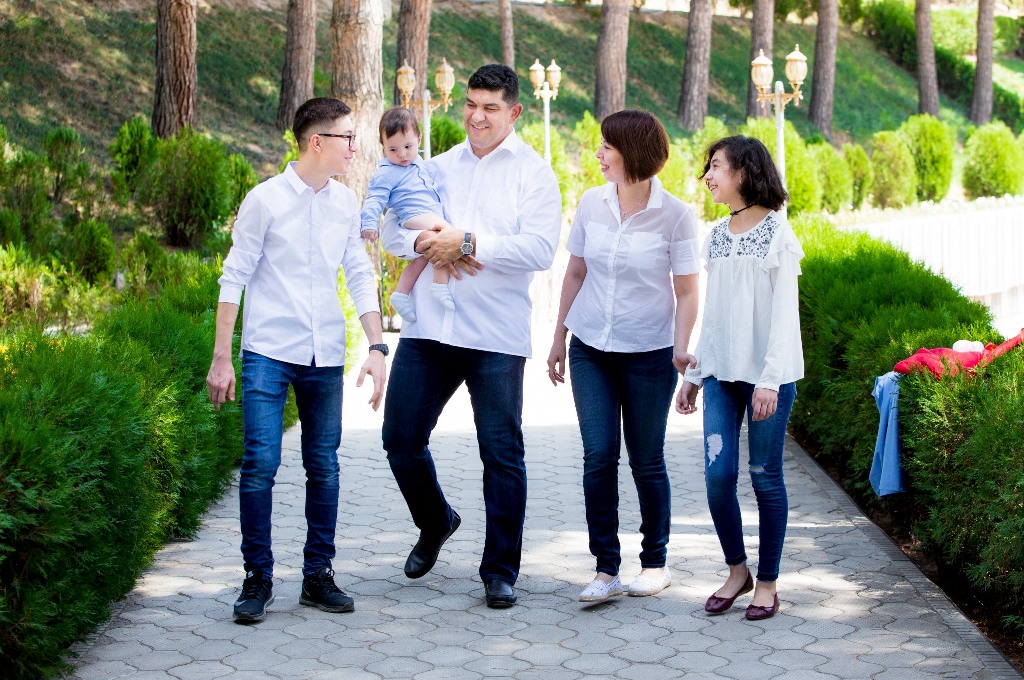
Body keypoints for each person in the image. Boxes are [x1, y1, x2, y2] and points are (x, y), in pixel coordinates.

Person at [379, 64, 562, 609]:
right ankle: (436, 519)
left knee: (501, 453)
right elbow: (392, 228)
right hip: (430, 328)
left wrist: (470, 242)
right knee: (400, 438)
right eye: (471, 104)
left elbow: (540, 249)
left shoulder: (534, 174)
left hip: (495, 335)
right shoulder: (434, 167)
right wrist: (426, 244)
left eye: (490, 108)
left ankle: (500, 570)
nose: (476, 117)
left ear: (515, 112)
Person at [206, 97, 388, 624]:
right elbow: (234, 277)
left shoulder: (344, 203)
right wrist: (222, 358)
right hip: (267, 352)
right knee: (260, 465)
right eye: (348, 138)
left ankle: (317, 576)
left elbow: (359, 273)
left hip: (324, 353)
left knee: (323, 466)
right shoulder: (264, 200)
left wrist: (377, 346)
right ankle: (257, 578)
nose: (354, 148)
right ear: (317, 142)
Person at [546, 109, 700, 603]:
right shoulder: (592, 203)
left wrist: (681, 347)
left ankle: (654, 563)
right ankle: (605, 569)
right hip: (591, 347)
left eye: (607, 147)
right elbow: (575, 272)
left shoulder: (675, 215)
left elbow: (687, 291)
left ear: (632, 153)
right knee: (598, 456)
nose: (598, 154)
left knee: (646, 460)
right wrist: (558, 336)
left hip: (649, 353)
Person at [676, 135, 804, 621]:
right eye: (708, 168)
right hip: (721, 378)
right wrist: (694, 375)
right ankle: (737, 571)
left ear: (745, 173)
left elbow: (784, 317)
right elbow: (714, 316)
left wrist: (770, 380)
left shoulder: (777, 234)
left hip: (768, 380)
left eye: (716, 167)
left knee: (764, 477)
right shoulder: (715, 235)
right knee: (718, 477)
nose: (708, 176)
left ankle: (767, 582)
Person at [360, 106, 456, 321]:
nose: (402, 154)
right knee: (447, 234)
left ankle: (401, 293)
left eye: (407, 146)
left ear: (419, 140)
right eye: (393, 149)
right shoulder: (386, 172)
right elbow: (374, 199)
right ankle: (440, 284)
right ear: (383, 146)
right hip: (413, 214)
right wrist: (369, 224)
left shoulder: (419, 162)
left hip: (425, 214)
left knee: (424, 256)